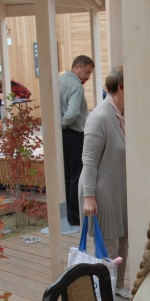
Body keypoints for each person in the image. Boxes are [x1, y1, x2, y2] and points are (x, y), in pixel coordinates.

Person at [79, 67, 129, 301]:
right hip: (102, 191)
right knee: (108, 248)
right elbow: (88, 161)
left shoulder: (123, 114)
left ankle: (118, 286)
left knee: (123, 242)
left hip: (121, 190)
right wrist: (89, 197)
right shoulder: (100, 116)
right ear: (120, 87)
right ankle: (105, 298)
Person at [59, 55, 95, 226]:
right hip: (74, 134)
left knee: (68, 175)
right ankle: (75, 217)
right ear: (77, 67)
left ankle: (69, 214)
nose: (88, 77)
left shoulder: (60, 81)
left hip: (64, 135)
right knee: (77, 176)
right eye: (87, 72)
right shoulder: (76, 86)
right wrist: (64, 123)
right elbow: (73, 113)